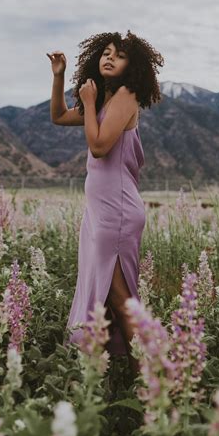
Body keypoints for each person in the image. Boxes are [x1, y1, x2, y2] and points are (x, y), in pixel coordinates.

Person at [46, 30, 164, 379]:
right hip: (101, 213)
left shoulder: (126, 96)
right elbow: (57, 116)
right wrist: (59, 78)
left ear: (133, 66)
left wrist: (87, 105)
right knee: (111, 297)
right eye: (106, 52)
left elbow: (98, 146)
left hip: (118, 210)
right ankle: (132, 377)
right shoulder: (103, 99)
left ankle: (152, 381)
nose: (109, 58)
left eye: (120, 55)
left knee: (120, 297)